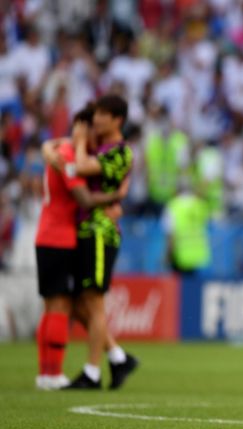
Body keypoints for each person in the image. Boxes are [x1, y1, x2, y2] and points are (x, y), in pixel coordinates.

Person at [34, 106, 123, 390]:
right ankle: (53, 373)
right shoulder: (70, 153)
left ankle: (46, 372)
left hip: (46, 233)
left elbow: (50, 148)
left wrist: (48, 146)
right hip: (61, 237)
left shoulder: (58, 149)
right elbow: (83, 198)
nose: (95, 132)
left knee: (51, 306)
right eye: (91, 127)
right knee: (60, 305)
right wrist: (115, 197)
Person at [65, 94, 138, 389]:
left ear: (117, 119)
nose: (96, 120)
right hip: (85, 229)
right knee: (80, 302)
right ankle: (118, 357)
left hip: (101, 230)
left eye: (103, 114)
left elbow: (79, 167)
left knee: (93, 302)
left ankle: (92, 372)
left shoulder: (120, 151)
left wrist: (79, 141)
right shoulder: (103, 148)